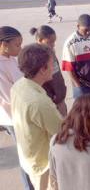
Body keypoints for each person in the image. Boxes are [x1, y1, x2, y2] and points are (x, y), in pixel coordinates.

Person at [11, 43, 62, 190]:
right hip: (43, 165)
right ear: (43, 69)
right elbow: (60, 133)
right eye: (51, 64)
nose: (53, 67)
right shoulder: (39, 103)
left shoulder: (19, 85)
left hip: (30, 156)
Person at [0, 26, 34, 190]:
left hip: (22, 113)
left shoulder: (9, 59)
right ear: (3, 44)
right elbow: (9, 98)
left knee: (30, 152)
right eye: (17, 45)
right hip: (15, 118)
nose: (20, 48)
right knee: (26, 155)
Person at [30, 25, 67, 116]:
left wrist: (61, 90)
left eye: (54, 42)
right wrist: (52, 96)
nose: (53, 45)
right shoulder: (36, 57)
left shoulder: (50, 51)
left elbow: (56, 73)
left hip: (59, 96)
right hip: (51, 101)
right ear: (39, 40)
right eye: (50, 42)